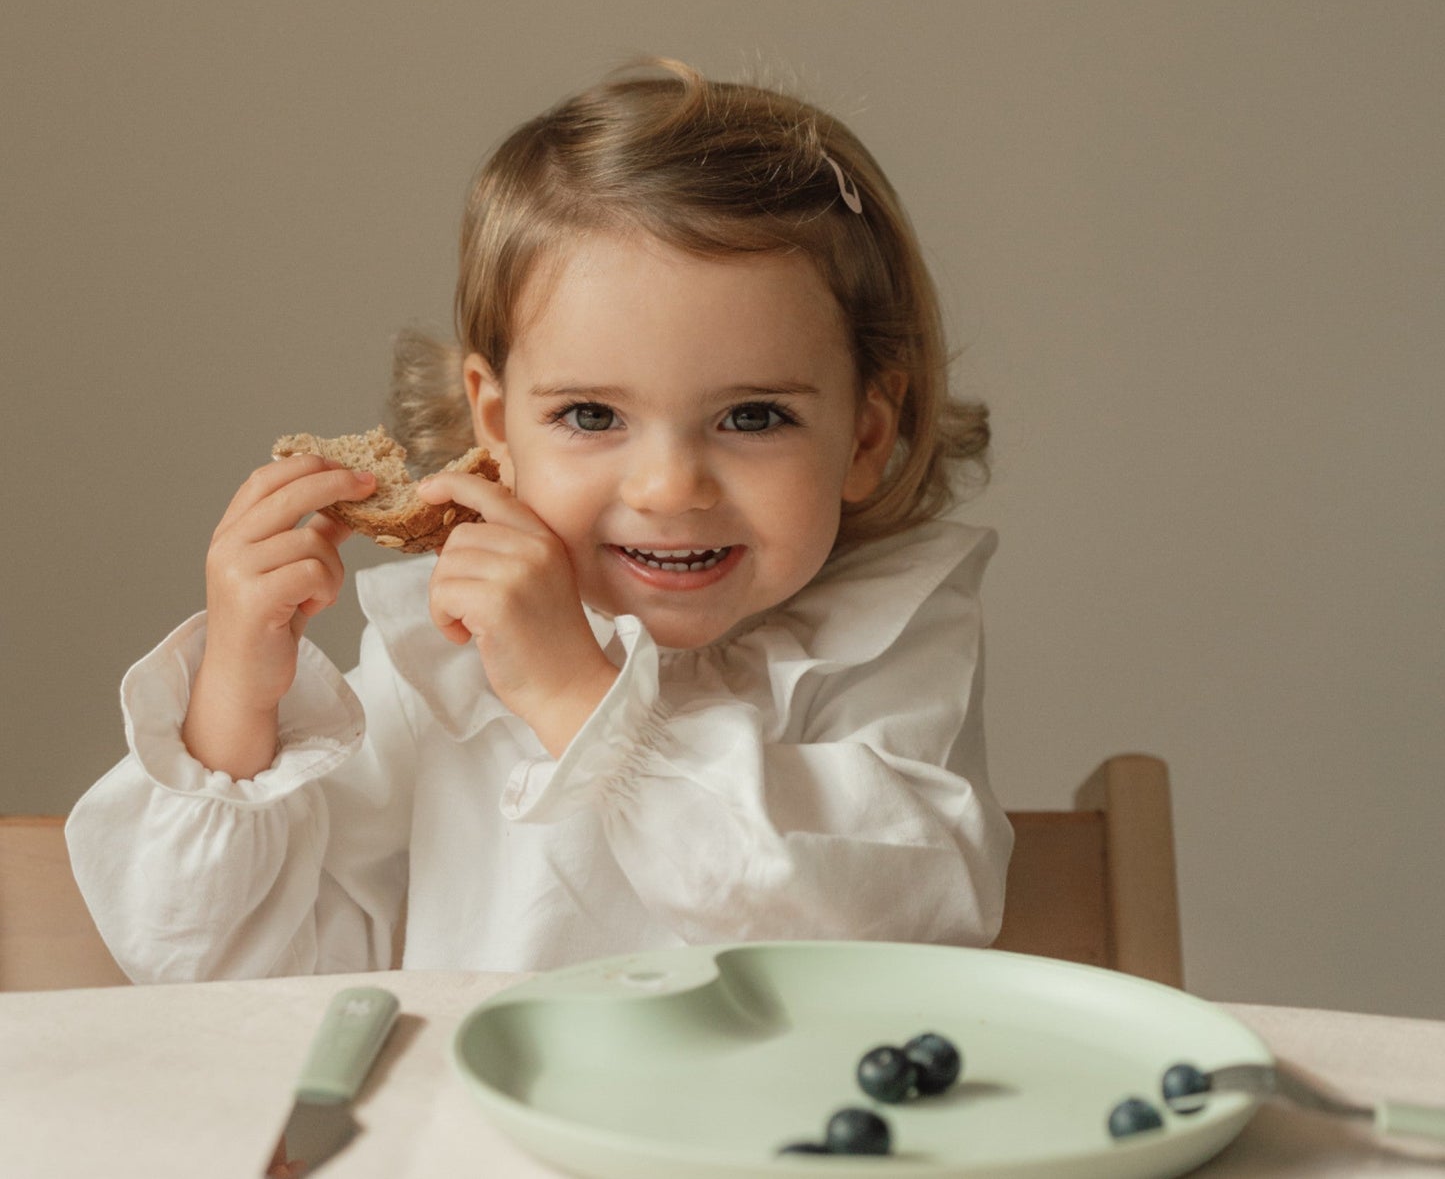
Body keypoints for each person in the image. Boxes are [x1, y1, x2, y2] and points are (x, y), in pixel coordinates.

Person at [67, 58, 1013, 980]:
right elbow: (222, 967)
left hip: (775, 1136)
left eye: (752, 416)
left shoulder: (883, 642)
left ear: (862, 435)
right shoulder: (444, 657)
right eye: (593, 416)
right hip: (475, 1131)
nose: (669, 488)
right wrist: (238, 695)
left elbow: (897, 922)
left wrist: (577, 698)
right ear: (496, 422)